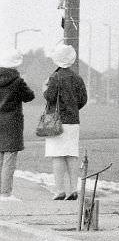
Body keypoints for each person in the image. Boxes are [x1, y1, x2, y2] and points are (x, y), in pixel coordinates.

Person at [44, 43, 87, 201]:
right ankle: (74, 189)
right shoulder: (78, 78)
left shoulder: (54, 77)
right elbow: (83, 99)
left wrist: (45, 89)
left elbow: (49, 97)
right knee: (71, 155)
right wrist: (73, 108)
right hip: (73, 121)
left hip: (56, 121)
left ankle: (60, 190)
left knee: (58, 156)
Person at [0, 48, 35, 201]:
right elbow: (29, 96)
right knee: (9, 158)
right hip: (12, 123)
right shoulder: (18, 81)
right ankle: (6, 193)